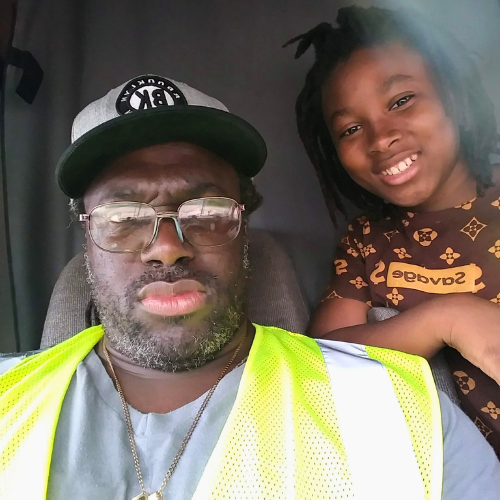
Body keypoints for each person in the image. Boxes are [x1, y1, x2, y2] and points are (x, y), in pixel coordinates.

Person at [1, 74, 500, 499]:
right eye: (124, 217)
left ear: (244, 224)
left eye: (206, 211)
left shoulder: (398, 410)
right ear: (85, 232)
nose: (168, 248)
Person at [285, 5, 500, 457]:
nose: (380, 137)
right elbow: (322, 358)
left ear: (457, 102)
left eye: (401, 101)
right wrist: (448, 319)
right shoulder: (367, 242)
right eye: (351, 128)